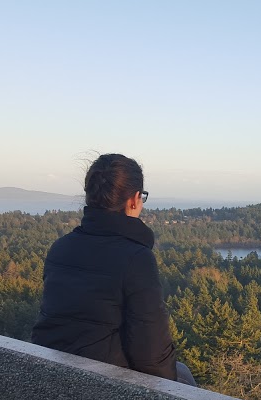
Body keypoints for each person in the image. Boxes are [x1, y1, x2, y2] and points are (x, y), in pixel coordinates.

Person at [32, 153, 195, 385]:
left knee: (182, 373)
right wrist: (169, 399)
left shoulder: (60, 248)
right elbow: (151, 354)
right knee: (184, 378)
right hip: (100, 385)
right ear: (134, 200)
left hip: (50, 375)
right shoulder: (136, 258)